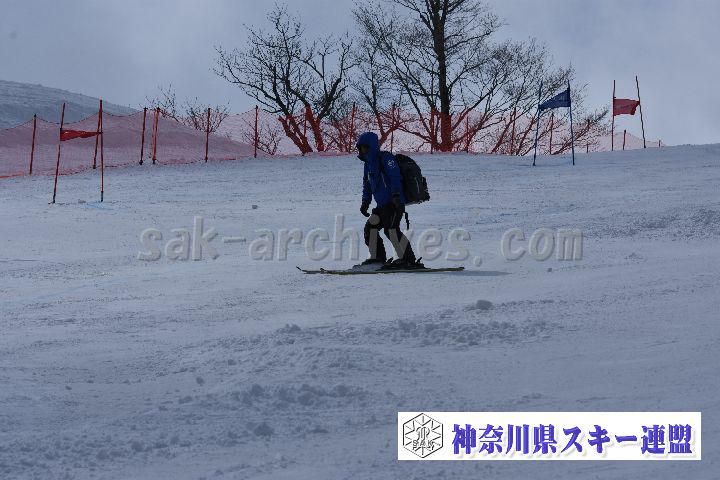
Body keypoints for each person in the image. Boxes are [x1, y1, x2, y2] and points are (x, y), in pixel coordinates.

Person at [356, 131, 421, 269]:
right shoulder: (367, 164)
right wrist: (365, 203)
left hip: (394, 203)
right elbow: (366, 184)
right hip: (381, 206)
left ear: (372, 146)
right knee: (370, 228)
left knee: (391, 230)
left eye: (364, 147)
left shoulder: (386, 158)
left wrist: (396, 194)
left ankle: (408, 260)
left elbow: (395, 176)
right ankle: (377, 258)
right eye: (360, 147)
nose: (362, 150)